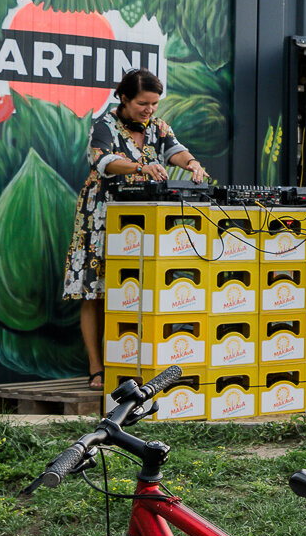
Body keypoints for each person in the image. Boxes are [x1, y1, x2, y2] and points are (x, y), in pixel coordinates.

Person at [63, 68, 207, 381]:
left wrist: (193, 165)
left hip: (139, 216)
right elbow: (102, 162)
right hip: (100, 215)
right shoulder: (104, 124)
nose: (149, 110)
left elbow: (176, 151)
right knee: (93, 291)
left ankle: (131, 364)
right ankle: (96, 368)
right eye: (143, 103)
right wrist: (142, 164)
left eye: (154, 104)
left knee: (133, 288)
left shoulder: (158, 127)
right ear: (124, 98)